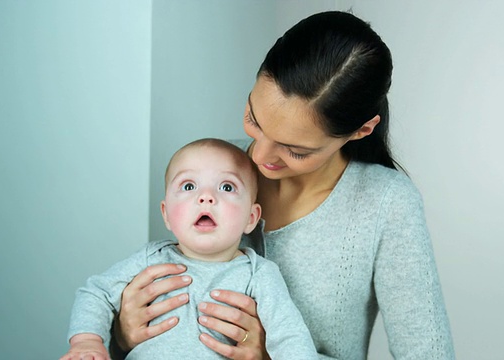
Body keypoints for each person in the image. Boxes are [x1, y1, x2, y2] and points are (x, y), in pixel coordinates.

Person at [111, 10, 455, 360]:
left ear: (360, 131)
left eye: (295, 150)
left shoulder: (386, 204)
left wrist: (272, 355)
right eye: (253, 120)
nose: (259, 156)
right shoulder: (208, 173)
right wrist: (122, 333)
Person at [61, 139, 318, 360]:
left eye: (227, 187)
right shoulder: (151, 260)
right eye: (188, 186)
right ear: (167, 215)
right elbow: (96, 293)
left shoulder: (258, 273)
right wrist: (87, 341)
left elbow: (290, 337)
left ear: (251, 218)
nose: (206, 197)